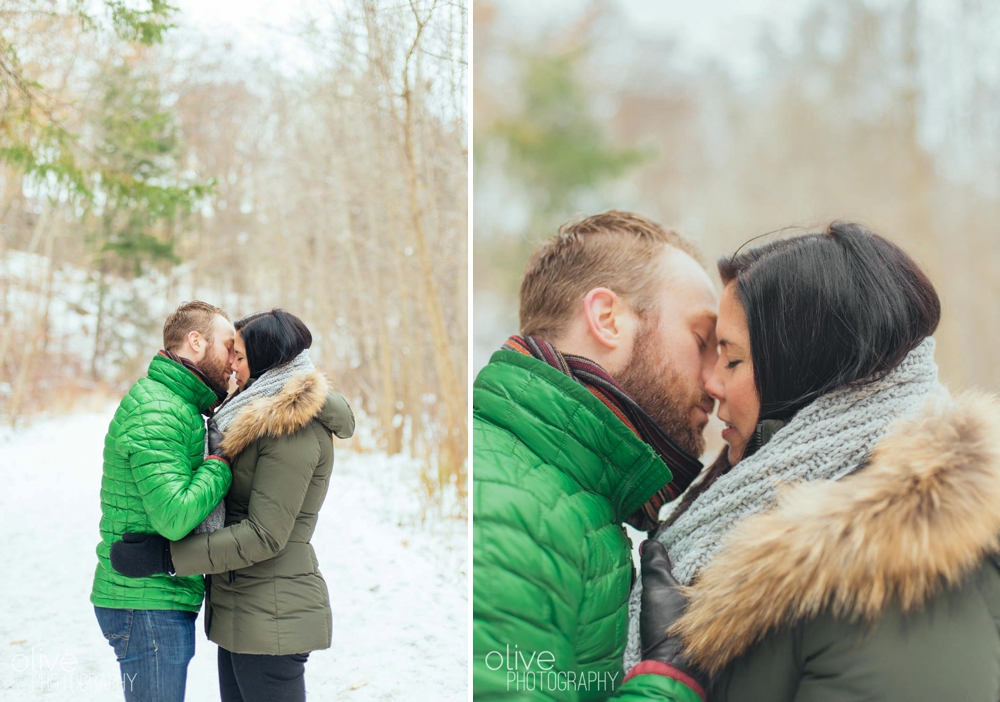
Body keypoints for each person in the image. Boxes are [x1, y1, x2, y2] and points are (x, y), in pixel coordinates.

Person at [627, 222, 1000, 701]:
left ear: (805, 373)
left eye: (732, 360)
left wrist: (667, 685)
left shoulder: (901, 569)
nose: (711, 384)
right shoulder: (793, 537)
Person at [473, 211, 721, 700]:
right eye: (701, 341)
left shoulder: (574, 494)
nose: (715, 380)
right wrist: (668, 680)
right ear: (607, 319)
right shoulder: (513, 514)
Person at [110, 309, 355, 702]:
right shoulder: (249, 418)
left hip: (273, 616)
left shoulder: (291, 427)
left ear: (264, 359)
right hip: (245, 611)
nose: (231, 366)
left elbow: (264, 535)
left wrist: (168, 557)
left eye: (238, 356)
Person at [91, 300, 236, 702]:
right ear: (195, 342)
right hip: (146, 601)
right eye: (227, 346)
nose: (232, 362)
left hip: (152, 597)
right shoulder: (160, 409)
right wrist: (221, 462)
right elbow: (175, 516)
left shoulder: (177, 404)